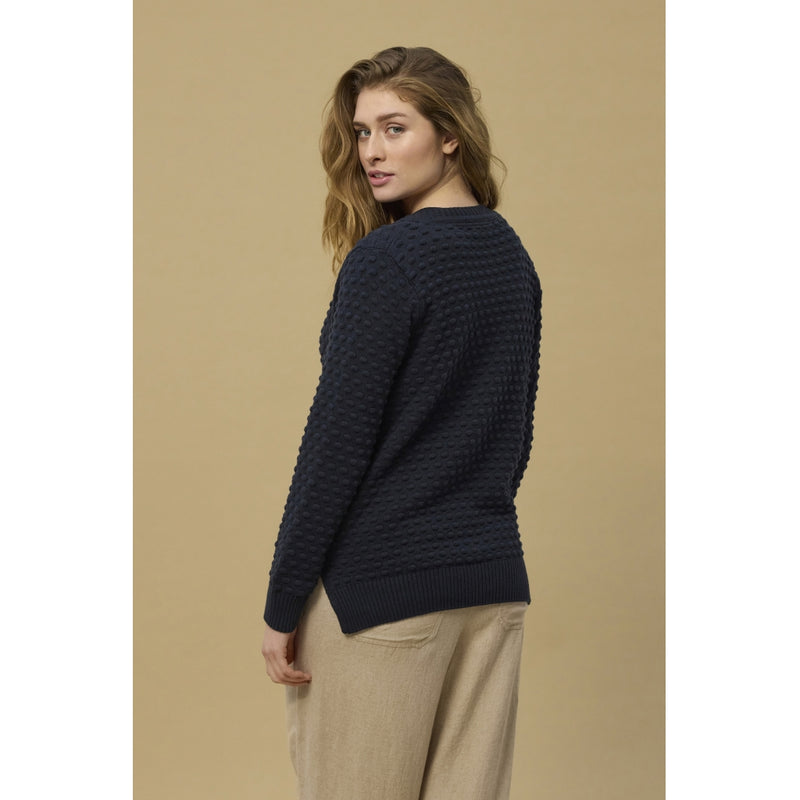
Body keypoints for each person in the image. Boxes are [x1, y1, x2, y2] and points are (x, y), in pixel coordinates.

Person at [260, 45, 543, 800]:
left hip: (380, 597)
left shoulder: (388, 259)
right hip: (490, 588)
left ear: (450, 135)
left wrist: (284, 600)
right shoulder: (509, 253)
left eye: (395, 127)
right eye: (362, 132)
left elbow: (336, 443)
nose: (371, 152)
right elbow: (512, 436)